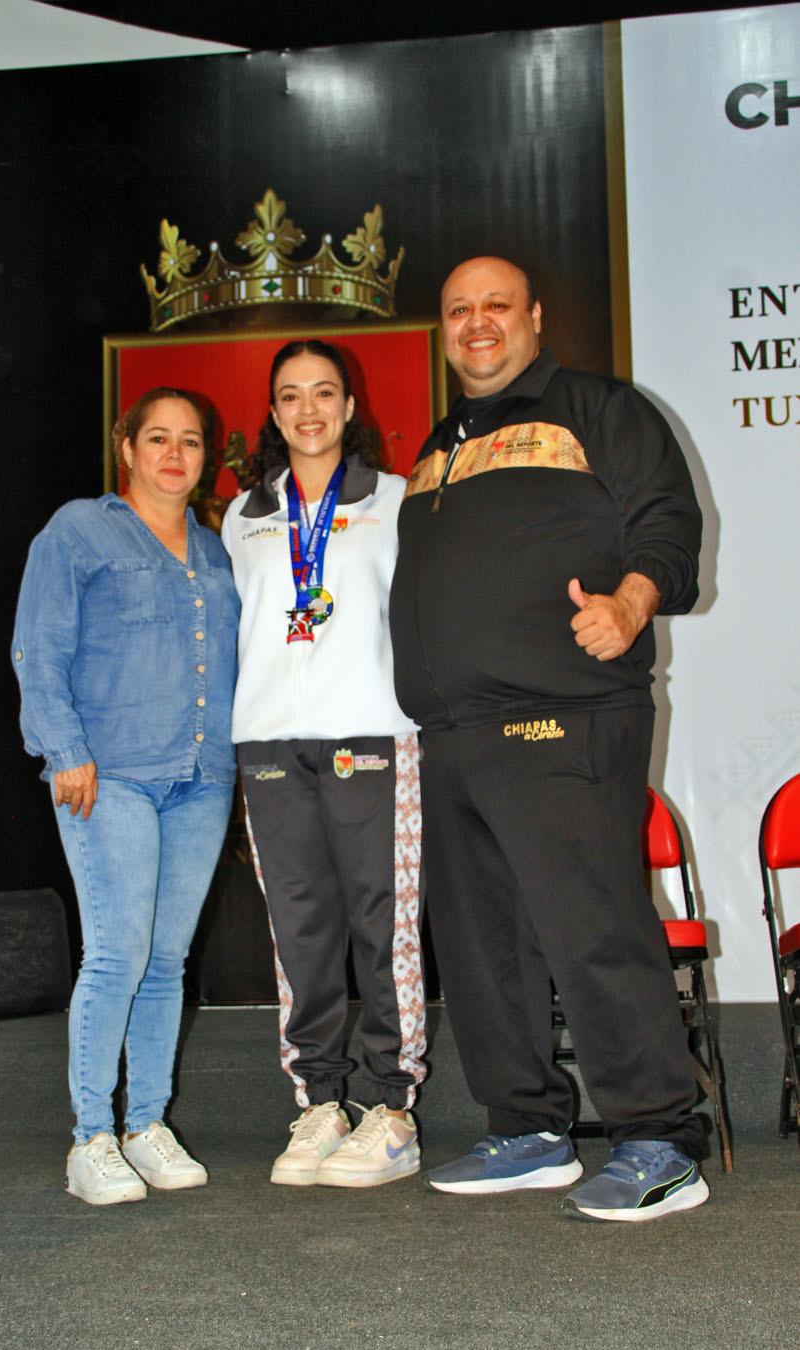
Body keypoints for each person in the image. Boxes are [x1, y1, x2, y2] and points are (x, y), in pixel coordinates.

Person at [389, 256, 707, 1222]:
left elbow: (669, 521)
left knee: (593, 925)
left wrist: (631, 603)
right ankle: (527, 1129)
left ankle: (660, 1140)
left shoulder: (601, 409)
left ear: (534, 314)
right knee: (483, 944)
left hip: (564, 712)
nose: (477, 323)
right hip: (452, 732)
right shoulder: (440, 443)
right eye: (458, 310)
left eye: (496, 305)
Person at [12, 387, 238, 1205]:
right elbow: (38, 647)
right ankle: (91, 1138)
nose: (175, 455)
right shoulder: (80, 530)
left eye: (191, 441)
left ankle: (146, 1124)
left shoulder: (215, 550)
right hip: (108, 774)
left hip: (202, 778)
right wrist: (64, 750)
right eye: (159, 439)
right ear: (128, 447)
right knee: (117, 954)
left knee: (167, 959)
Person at [220, 339, 426, 1188]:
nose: (308, 410)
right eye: (291, 396)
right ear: (273, 412)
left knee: (382, 922)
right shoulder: (243, 517)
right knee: (299, 925)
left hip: (372, 734)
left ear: (349, 405)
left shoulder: (397, 500)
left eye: (324, 393)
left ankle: (392, 1108)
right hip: (269, 739)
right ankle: (318, 1101)